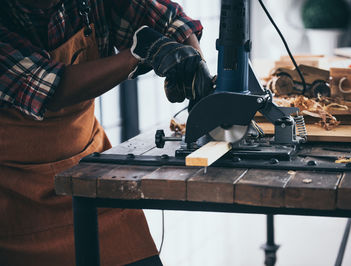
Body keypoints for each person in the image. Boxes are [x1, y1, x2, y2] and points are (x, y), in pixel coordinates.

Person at [0, 0, 214, 265]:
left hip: (89, 170)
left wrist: (194, 63)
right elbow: (49, 88)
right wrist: (138, 54)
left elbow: (170, 21)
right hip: (18, 194)